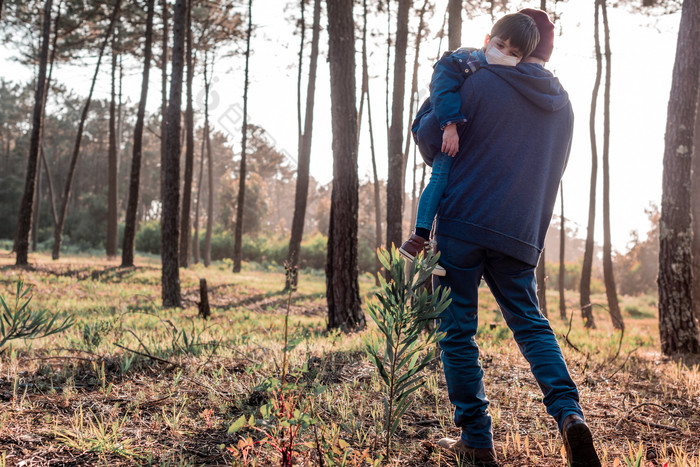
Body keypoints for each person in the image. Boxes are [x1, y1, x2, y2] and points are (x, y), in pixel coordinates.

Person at [413, 9, 602, 467]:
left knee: (457, 332)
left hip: (462, 220)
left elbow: (427, 134)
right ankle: (569, 415)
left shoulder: (477, 81)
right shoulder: (565, 106)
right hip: (520, 232)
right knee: (531, 323)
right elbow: (551, 169)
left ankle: (477, 440)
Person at [399, 12, 541, 276]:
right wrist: (449, 126)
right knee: (440, 178)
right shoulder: (464, 60)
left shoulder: (505, 77)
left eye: (513, 52)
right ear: (487, 39)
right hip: (445, 129)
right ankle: (417, 239)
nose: (503, 53)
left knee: (454, 190)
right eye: (500, 45)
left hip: (465, 141)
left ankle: (433, 249)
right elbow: (441, 87)